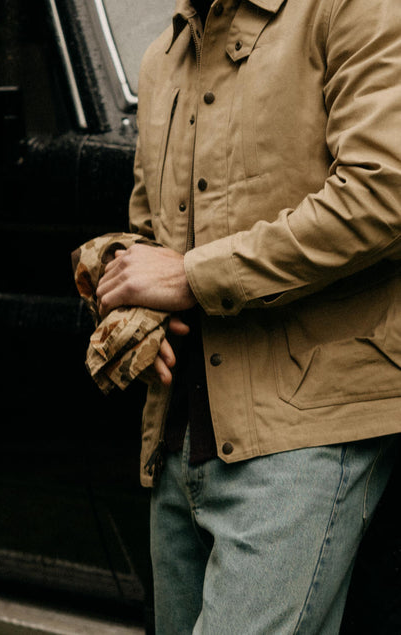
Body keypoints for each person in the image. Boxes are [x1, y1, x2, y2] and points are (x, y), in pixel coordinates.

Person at [96, 0, 401, 632]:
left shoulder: (354, 9)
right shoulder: (164, 54)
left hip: (301, 434)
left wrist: (190, 277)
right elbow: (149, 232)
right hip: (176, 442)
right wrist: (135, 307)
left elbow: (385, 191)